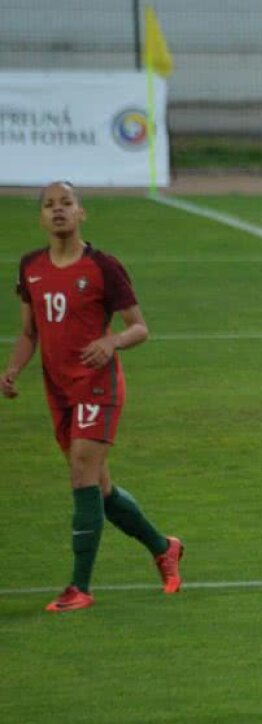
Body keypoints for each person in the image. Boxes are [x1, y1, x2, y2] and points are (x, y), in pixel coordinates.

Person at [2, 181, 184, 612]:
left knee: (82, 473)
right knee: (99, 488)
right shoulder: (30, 267)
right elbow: (30, 332)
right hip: (58, 390)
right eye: (49, 205)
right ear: (42, 218)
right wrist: (12, 369)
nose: (58, 210)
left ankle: (79, 588)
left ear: (81, 213)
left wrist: (112, 343)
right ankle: (164, 547)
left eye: (66, 203)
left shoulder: (103, 267)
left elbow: (139, 327)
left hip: (98, 385)